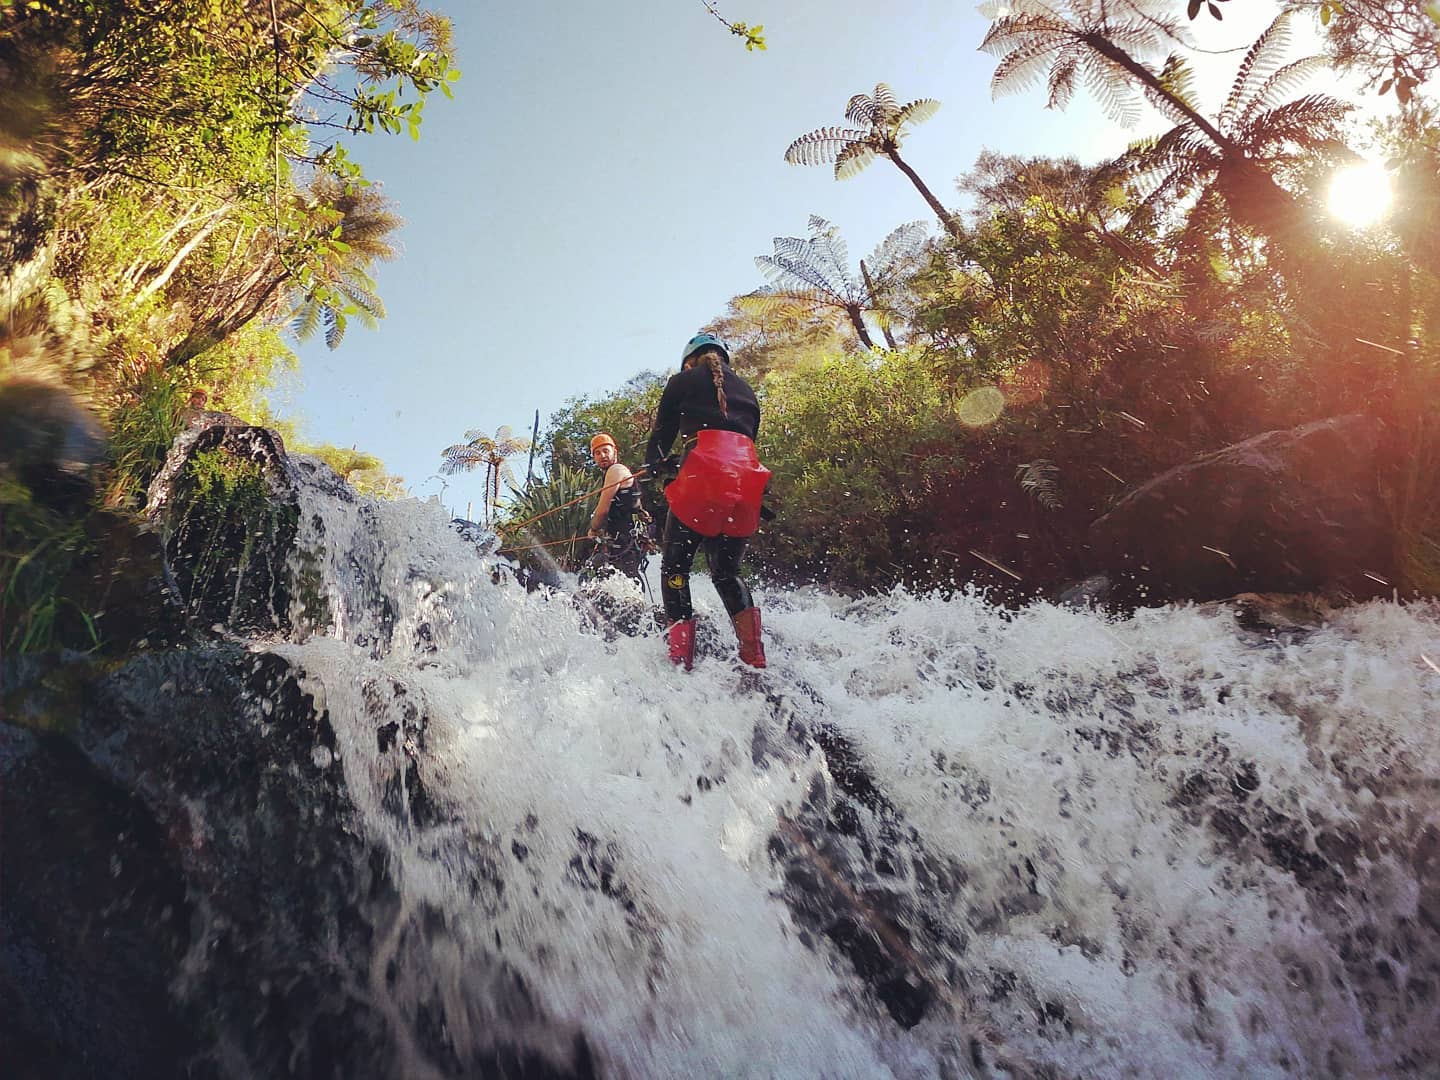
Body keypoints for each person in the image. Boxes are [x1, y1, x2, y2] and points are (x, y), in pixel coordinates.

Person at [644, 333, 770, 671]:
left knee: (675, 568)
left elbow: (661, 437)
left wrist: (652, 468)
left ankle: (681, 660)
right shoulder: (747, 389)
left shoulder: (681, 381)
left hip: (702, 480)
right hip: (746, 484)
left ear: (689, 361)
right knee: (726, 572)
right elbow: (739, 443)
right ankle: (754, 656)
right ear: (723, 359)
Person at [581, 432, 649, 585]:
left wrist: (593, 529)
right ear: (594, 458)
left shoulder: (616, 470)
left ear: (615, 452)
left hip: (625, 538)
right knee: (621, 578)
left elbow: (602, 510)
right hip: (623, 538)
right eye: (597, 453)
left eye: (606, 451)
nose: (602, 455)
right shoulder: (620, 473)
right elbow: (635, 505)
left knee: (625, 578)